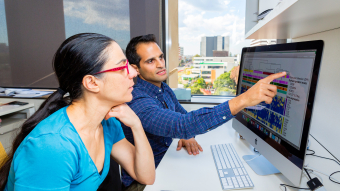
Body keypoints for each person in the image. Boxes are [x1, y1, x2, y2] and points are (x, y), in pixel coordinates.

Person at [119, 34, 286, 190]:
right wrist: (243, 99)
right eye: (150, 61)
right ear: (135, 69)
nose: (161, 64)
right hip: (144, 183)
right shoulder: (136, 100)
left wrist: (187, 134)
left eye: (161, 57)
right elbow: (181, 124)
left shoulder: (162, 88)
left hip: (167, 164)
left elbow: (182, 117)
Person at [0, 33, 155, 191]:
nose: (134, 73)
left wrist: (136, 124)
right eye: (122, 67)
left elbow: (146, 176)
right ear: (92, 83)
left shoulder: (107, 123)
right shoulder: (51, 147)